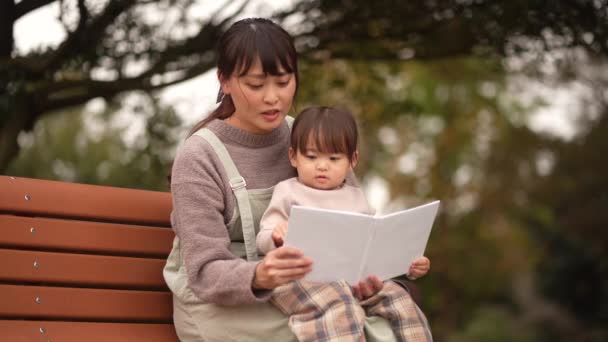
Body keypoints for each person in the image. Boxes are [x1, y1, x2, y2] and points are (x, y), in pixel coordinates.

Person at [163, 17, 431, 342]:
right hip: (222, 303)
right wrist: (261, 274)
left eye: (283, 81)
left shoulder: (307, 139)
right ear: (225, 81)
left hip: (313, 287)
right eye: (256, 85)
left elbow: (353, 224)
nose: (272, 97)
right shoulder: (200, 155)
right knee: (344, 322)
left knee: (393, 315)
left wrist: (386, 262)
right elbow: (205, 273)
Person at [256, 106, 433, 341]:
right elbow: (263, 238)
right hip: (298, 281)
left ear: (352, 161)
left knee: (399, 299)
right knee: (340, 305)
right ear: (293, 157)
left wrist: (409, 264)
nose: (322, 165)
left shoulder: (356, 197)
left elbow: (375, 247)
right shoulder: (289, 191)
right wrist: (276, 235)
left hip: (353, 282)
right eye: (311, 156)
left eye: (333, 158)